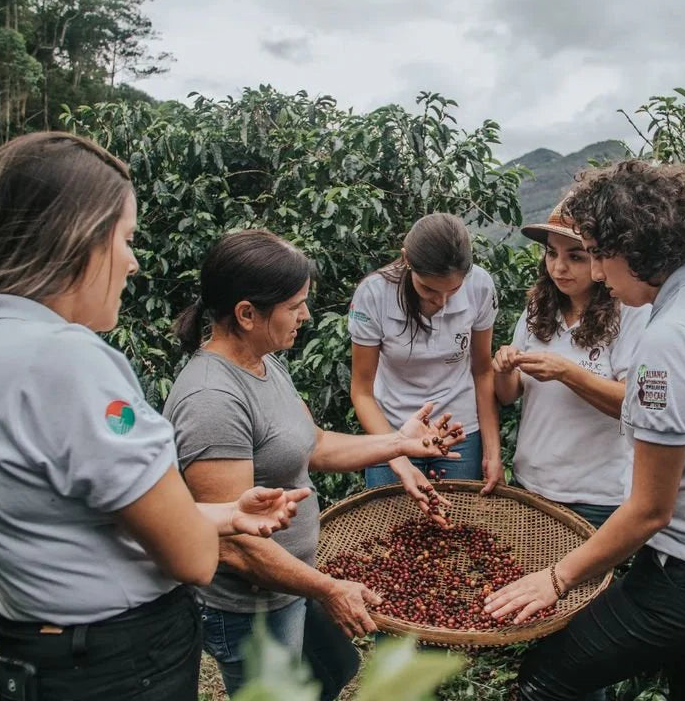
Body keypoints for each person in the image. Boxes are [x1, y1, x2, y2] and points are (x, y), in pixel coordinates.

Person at [0, 132, 308, 701]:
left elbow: (85, 518)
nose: (132, 263)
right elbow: (191, 558)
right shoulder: (70, 360)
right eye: (125, 239)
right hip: (119, 665)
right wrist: (205, 528)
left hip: (37, 652)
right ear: (75, 238)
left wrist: (227, 512)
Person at [483, 159, 685, 701]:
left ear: (634, 247)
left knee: (547, 676)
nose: (595, 273)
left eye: (597, 254)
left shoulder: (670, 339)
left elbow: (649, 508)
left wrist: (555, 579)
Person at [163, 229, 463, 700]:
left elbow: (315, 445)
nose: (305, 315)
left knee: (335, 667)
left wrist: (397, 443)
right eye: (294, 305)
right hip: (251, 607)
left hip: (292, 584)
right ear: (246, 314)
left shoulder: (264, 362)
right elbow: (235, 545)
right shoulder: (212, 401)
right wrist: (328, 588)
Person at [492, 197, 648, 529]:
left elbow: (633, 403)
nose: (559, 268)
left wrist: (566, 373)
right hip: (531, 483)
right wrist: (503, 368)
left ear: (600, 258)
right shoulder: (538, 309)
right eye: (552, 254)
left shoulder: (630, 313)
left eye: (575, 257)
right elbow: (509, 395)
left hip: (594, 495)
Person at [349, 212, 503, 493]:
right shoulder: (374, 294)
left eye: (453, 290)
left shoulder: (480, 287)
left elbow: (482, 371)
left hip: (459, 431)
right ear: (407, 259)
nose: (441, 302)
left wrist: (492, 451)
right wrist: (395, 454)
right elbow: (362, 391)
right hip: (391, 427)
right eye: (429, 290)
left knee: (458, 526)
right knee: (393, 527)